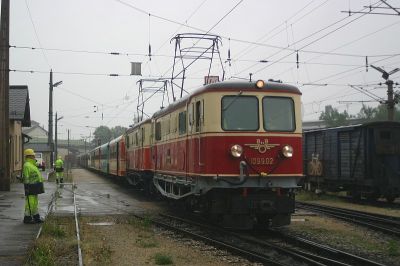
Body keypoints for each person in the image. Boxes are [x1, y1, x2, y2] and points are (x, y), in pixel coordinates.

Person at [23, 148, 45, 224]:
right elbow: (26, 177)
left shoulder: (32, 165)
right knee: (30, 203)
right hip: (30, 186)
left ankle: (36, 217)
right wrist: (26, 187)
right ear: (29, 156)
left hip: (35, 186)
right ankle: (27, 218)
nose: (34, 157)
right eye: (33, 155)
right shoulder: (27, 165)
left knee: (35, 203)